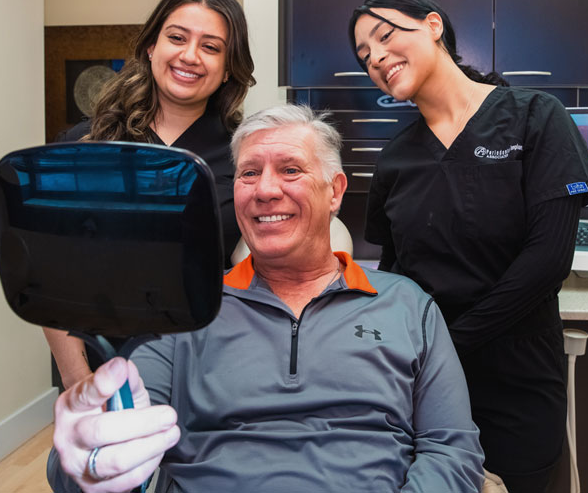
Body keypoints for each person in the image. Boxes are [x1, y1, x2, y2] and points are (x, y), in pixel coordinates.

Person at [48, 104, 485, 493]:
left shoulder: (407, 305)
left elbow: (451, 450)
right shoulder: (184, 310)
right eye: (249, 173)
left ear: (334, 192)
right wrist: (87, 454)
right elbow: (99, 456)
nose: (264, 190)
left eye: (290, 169)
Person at [349, 0, 588, 493]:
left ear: (433, 26)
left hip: (517, 377)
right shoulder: (397, 157)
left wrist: (450, 346)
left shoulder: (536, 116)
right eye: (363, 55)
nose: (375, 57)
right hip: (425, 386)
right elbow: (397, 272)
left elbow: (548, 261)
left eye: (384, 35)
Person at [46, 0, 256, 390]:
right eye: (177, 38)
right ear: (151, 46)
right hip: (101, 365)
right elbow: (52, 272)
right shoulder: (85, 145)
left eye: (211, 47)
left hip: (210, 370)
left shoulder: (244, 155)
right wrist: (78, 380)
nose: (190, 56)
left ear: (229, 67)